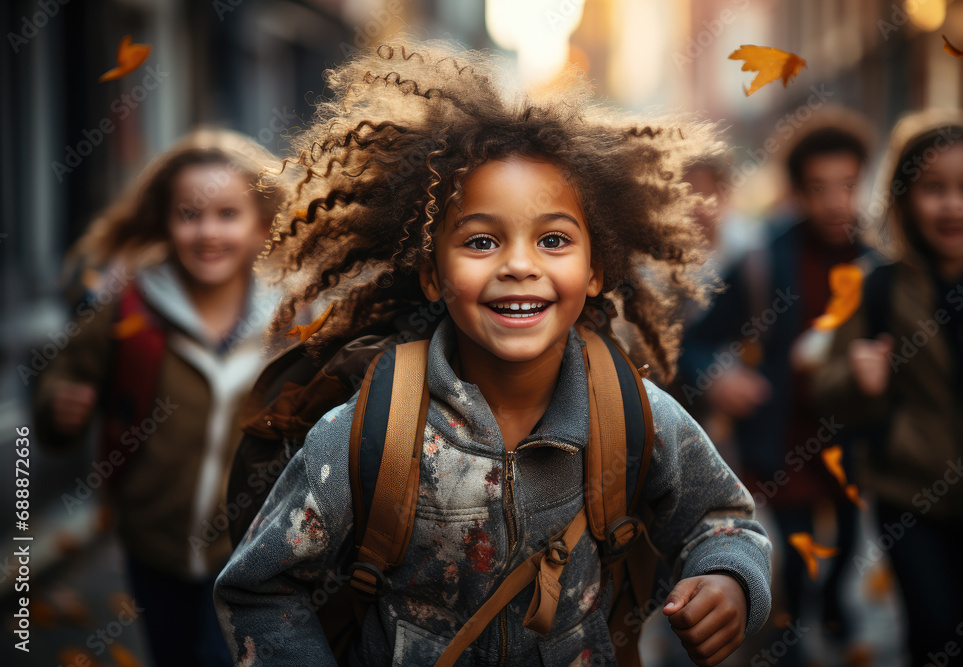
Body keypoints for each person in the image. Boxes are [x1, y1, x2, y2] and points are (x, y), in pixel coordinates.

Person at [214, 40, 772, 666]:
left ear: (595, 269)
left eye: (553, 239)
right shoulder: (371, 431)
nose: (519, 265)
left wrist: (728, 577)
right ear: (431, 273)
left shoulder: (632, 414)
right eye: (481, 240)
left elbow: (722, 521)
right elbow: (260, 588)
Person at [31, 129, 283, 666]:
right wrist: (58, 408)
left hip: (251, 549)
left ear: (261, 225)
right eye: (189, 214)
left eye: (227, 214)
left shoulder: (292, 321)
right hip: (152, 544)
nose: (207, 231)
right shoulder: (129, 307)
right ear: (166, 223)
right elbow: (64, 375)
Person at [676, 116, 875, 655]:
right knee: (794, 547)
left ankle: (831, 609)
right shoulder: (765, 260)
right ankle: (794, 632)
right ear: (796, 191)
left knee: (851, 540)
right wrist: (718, 375)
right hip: (783, 440)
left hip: (855, 445)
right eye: (819, 188)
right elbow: (693, 343)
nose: (836, 202)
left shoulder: (879, 266)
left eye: (849, 186)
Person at [814, 110, 963, 667]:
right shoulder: (881, 284)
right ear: (905, 197)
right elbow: (826, 386)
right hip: (907, 493)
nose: (952, 205)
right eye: (934, 189)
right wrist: (857, 376)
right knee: (933, 629)